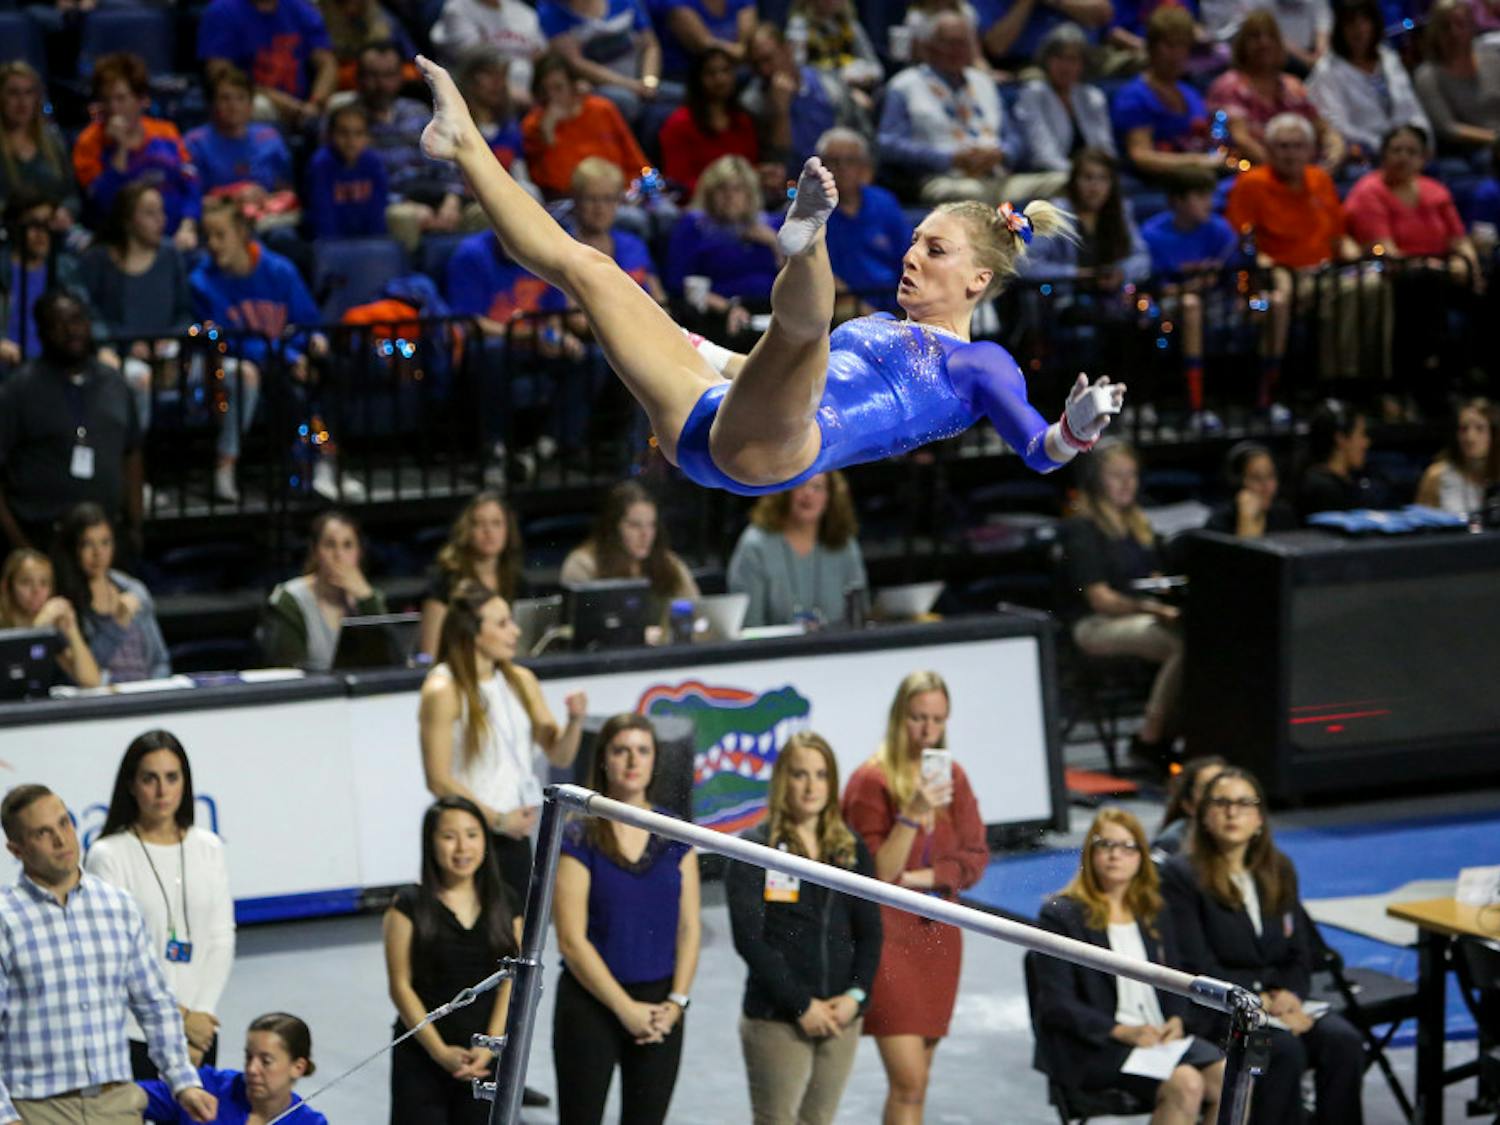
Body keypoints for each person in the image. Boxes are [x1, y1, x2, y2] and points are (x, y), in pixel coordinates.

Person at [417, 54, 1126, 497]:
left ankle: (805, 240)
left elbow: (1040, 454)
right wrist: (682, 341)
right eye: (914, 241)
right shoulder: (879, 325)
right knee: (592, 268)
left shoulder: (981, 363)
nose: (911, 256)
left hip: (780, 446)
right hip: (707, 419)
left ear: (978, 281)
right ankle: (464, 144)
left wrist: (1079, 426)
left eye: (934, 251)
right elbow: (747, 368)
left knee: (806, 335)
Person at [0, 783, 218, 1123]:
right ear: (16, 849)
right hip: (37, 1110)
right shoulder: (5, 920)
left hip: (115, 1104)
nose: (61, 840)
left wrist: (183, 1081)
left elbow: (155, 1003)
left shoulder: (118, 906)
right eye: (43, 833)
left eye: (64, 823)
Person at [1161, 767, 1367, 1125]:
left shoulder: (1278, 869)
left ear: (1259, 818)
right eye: (1221, 803)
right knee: (1279, 1052)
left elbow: (1298, 954)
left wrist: (1291, 996)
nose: (1232, 812)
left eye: (1243, 803)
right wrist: (1262, 1001)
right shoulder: (1181, 876)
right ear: (1203, 815)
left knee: (1343, 1042)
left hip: (1281, 1005)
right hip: (1222, 1012)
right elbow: (1195, 963)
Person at [841, 671, 988, 1125]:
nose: (927, 731)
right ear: (898, 718)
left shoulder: (954, 777)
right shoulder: (870, 782)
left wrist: (929, 875)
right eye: (918, 718)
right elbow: (880, 873)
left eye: (937, 720)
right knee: (909, 1082)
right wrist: (912, 814)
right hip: (889, 938)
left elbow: (976, 858)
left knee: (919, 1080)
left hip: (939, 937)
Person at [726, 731, 882, 1125]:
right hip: (778, 1018)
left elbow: (870, 931)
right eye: (800, 775)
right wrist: (801, 1004)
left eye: (821, 774)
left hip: (840, 1014)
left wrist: (856, 997)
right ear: (782, 780)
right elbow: (749, 940)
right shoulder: (755, 848)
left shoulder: (849, 847)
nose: (812, 786)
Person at [553, 713, 701, 1125]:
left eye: (642, 750)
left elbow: (690, 929)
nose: (632, 761)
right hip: (591, 1004)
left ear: (655, 760)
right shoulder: (579, 833)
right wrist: (624, 1008)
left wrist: (677, 1001)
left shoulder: (675, 832)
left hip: (660, 1007)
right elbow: (570, 939)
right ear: (603, 760)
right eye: (621, 751)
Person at [1034, 809, 1227, 1123]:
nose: (1115, 855)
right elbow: (1057, 1004)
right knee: (1187, 1083)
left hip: (1159, 1039)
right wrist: (1122, 1031)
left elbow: (1176, 976)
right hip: (1099, 1044)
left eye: (1127, 846)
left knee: (1230, 1078)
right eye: (1105, 845)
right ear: (1090, 852)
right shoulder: (1061, 915)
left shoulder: (1153, 911)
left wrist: (1177, 1018)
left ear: (1141, 855)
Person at [420, 581, 587, 899]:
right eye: (502, 623)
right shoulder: (443, 690)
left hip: (514, 833)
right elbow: (438, 780)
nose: (516, 632)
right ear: (472, 631)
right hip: (468, 837)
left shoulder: (520, 680)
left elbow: (560, 756)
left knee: (515, 936)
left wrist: (575, 721)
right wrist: (497, 820)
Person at [85, 731, 236, 1078]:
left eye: (172, 777)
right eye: (149, 779)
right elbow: (118, 958)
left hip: (201, 1031)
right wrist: (182, 1019)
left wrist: (201, 1020)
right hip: (134, 1034)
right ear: (131, 785)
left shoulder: (209, 847)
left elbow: (221, 938)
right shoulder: (108, 855)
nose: (162, 790)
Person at [384, 796, 522, 1125]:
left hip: (484, 1056)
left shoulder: (506, 901)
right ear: (430, 843)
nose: (462, 847)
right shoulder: (408, 904)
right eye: (449, 836)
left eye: (472, 835)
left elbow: (511, 983)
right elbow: (400, 986)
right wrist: (439, 1052)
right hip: (422, 1054)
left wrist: (491, 1046)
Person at [191, 198, 330, 503]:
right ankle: (307, 467)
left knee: (328, 367)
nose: (212, 244)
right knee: (276, 379)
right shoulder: (202, 281)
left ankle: (324, 464)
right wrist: (287, 355)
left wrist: (310, 345)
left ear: (242, 232)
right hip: (240, 366)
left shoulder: (280, 271)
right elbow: (230, 339)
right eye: (207, 236)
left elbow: (307, 322)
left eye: (220, 235)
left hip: (283, 362)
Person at [1063, 440, 1182, 762]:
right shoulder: (1083, 528)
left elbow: (1154, 577)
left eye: (1132, 475)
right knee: (1182, 645)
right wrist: (1152, 607)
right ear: (1096, 480)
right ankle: (1150, 738)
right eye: (1117, 475)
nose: (1127, 483)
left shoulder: (1139, 527)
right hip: (1094, 625)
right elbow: (1100, 599)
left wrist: (1163, 590)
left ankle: (1184, 732)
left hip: (1140, 615)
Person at [0, 290, 143, 554]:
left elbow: (132, 453)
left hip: (107, 537)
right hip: (42, 537)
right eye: (59, 323)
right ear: (42, 333)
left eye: (77, 320)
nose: (71, 331)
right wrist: (21, 548)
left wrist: (135, 524)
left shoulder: (114, 382)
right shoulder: (18, 390)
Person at [79, 184, 197, 445]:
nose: (161, 220)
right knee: (139, 379)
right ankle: (134, 468)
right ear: (128, 220)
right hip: (118, 355)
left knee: (236, 374)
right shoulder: (98, 259)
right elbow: (89, 314)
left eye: (162, 212)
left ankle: (225, 467)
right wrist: (127, 345)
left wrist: (170, 343)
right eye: (150, 213)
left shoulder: (170, 255)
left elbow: (184, 313)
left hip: (169, 355)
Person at [877, 13, 1030, 206]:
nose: (958, 50)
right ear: (930, 46)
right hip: (943, 179)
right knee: (974, 195)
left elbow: (1014, 137)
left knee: (1062, 183)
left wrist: (1002, 153)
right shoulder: (904, 85)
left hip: (997, 175)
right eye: (950, 43)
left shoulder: (984, 81)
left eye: (964, 43)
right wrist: (948, 159)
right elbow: (888, 143)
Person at [72, 53, 201, 248]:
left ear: (141, 100)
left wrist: (188, 225)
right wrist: (121, 148)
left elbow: (191, 183)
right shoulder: (88, 143)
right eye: (106, 100)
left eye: (121, 98)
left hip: (178, 235)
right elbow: (105, 203)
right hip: (125, 242)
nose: (113, 108)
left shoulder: (166, 132)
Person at [1207, 12, 1346, 169]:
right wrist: (1286, 170)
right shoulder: (1229, 85)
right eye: (1255, 37)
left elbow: (1322, 127)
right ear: (1242, 45)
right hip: (1249, 171)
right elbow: (1240, 139)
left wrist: (1334, 147)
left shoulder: (1292, 86)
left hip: (1299, 171)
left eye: (1270, 36)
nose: (1264, 43)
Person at [726, 472, 865, 628]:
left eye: (817, 487)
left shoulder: (844, 544)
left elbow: (860, 616)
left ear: (830, 497)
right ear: (783, 492)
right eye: (800, 485)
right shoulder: (755, 545)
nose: (808, 494)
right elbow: (749, 625)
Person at [54, 502, 170, 683]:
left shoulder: (135, 591)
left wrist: (153, 691)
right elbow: (86, 671)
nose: (98, 553)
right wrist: (118, 624)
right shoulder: (65, 604)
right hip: (100, 701)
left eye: (105, 543)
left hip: (146, 694)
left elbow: (160, 661)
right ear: (73, 549)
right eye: (87, 544)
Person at [138, 1013, 325, 1125]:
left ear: (298, 1067)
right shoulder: (205, 1088)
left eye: (266, 1061)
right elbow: (124, 1097)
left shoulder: (310, 1123)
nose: (251, 1069)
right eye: (248, 1057)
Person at [262, 509, 388, 670]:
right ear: (315, 552)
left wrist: (367, 599)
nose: (339, 555)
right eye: (330, 545)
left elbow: (387, 660)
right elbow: (288, 669)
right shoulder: (289, 599)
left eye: (348, 545)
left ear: (359, 553)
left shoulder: (368, 597)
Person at [1114, 8, 1227, 186]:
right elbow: (1141, 156)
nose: (1177, 54)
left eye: (1183, 46)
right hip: (1161, 186)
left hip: (1199, 182)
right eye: (1170, 46)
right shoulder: (1135, 96)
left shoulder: (1190, 93)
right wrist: (1196, 161)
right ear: (1152, 47)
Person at [1308, 0, 1431, 160]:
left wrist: (1420, 138)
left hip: (1405, 149)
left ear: (1375, 24)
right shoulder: (1327, 70)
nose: (1358, 30)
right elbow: (1338, 125)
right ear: (1339, 29)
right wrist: (1384, 146)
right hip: (1365, 155)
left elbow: (1411, 108)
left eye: (1365, 21)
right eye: (1350, 23)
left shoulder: (1389, 59)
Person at [520, 53, 650, 201]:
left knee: (665, 212)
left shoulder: (602, 109)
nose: (551, 97)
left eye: (558, 88)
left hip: (625, 194)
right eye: (544, 91)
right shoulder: (533, 125)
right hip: (577, 204)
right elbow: (555, 184)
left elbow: (638, 162)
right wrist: (548, 132)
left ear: (573, 86)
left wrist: (646, 189)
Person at [663, 154, 783, 315]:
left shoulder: (771, 224)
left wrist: (774, 243)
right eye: (721, 189)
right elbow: (679, 284)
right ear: (709, 194)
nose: (729, 196)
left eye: (737, 189)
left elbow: (793, 278)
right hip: (719, 312)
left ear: (750, 194)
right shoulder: (694, 226)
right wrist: (726, 308)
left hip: (772, 309)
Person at [1346, 124, 1479, 266]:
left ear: (1423, 159)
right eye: (1396, 150)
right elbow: (1383, 251)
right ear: (1383, 155)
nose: (1403, 157)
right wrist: (1432, 268)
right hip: (1396, 274)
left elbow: (1459, 240)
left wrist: (1467, 264)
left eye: (1412, 152)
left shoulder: (1436, 190)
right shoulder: (1368, 191)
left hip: (1442, 271)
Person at [562, 479, 700, 609]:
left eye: (651, 525)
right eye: (635, 525)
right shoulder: (582, 565)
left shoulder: (669, 563)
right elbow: (577, 627)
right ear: (613, 528)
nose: (645, 534)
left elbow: (698, 612)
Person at [198, 0, 337, 128]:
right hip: (253, 97)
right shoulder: (222, 11)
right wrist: (280, 101)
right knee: (257, 106)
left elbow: (327, 63)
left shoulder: (301, 8)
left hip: (305, 103)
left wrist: (316, 102)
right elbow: (219, 73)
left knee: (344, 106)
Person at [740, 24, 852, 180]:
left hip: (836, 179)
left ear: (787, 50)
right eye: (756, 64)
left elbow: (859, 137)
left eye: (768, 59)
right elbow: (776, 164)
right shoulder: (752, 104)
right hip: (791, 187)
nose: (764, 70)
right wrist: (781, 112)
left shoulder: (829, 85)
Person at [818, 128, 912, 313]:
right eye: (834, 161)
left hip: (894, 302)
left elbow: (908, 254)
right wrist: (868, 315)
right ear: (821, 167)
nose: (842, 168)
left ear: (864, 167)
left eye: (850, 161)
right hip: (839, 305)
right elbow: (815, 273)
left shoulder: (884, 202)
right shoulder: (811, 211)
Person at [419, 491, 524, 657]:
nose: (488, 531)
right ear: (467, 530)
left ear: (508, 530)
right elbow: (429, 654)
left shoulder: (518, 581)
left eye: (496, 523)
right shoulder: (445, 583)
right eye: (479, 523)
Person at [1023, 149, 1151, 284]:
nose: (1095, 188)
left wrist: (1121, 273)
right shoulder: (1054, 214)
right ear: (1074, 181)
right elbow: (1025, 267)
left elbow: (1142, 258)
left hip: (1112, 298)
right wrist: (1075, 274)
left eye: (1103, 179)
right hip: (1062, 296)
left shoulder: (1121, 211)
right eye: (1088, 178)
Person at [538, 0, 665, 124]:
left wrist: (650, 81)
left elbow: (650, 45)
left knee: (677, 97)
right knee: (627, 102)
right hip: (597, 86)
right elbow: (576, 63)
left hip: (640, 79)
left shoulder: (625, 2)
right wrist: (631, 85)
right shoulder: (551, 12)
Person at [1015, 24, 1116, 177]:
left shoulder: (1092, 96)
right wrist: (1079, 176)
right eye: (1059, 57)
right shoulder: (1034, 94)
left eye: (1073, 59)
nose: (1066, 66)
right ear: (1046, 60)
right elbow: (1043, 155)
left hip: (1091, 178)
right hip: (1049, 174)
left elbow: (1105, 149)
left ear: (1082, 64)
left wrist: (1099, 173)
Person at [658, 48, 761, 196]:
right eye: (711, 73)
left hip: (743, 201)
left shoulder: (743, 120)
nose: (720, 79)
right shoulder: (679, 124)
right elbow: (678, 181)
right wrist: (724, 188)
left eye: (726, 71)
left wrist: (761, 176)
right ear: (697, 79)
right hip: (697, 205)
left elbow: (749, 167)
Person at [2, 191, 88, 368]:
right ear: (15, 226)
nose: (41, 233)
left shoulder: (64, 269)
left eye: (48, 224)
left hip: (54, 368)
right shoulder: (3, 269)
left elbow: (87, 313)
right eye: (33, 224)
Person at [184, 69, 294, 199]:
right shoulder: (195, 143)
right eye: (225, 98)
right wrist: (234, 196)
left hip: (267, 214)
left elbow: (286, 190)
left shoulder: (269, 137)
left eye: (241, 98)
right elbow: (190, 201)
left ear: (251, 105)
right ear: (212, 104)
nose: (234, 106)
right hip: (216, 214)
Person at [0, 548, 101, 687]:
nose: (36, 591)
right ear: (7, 586)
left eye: (44, 583)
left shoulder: (51, 629)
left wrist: (72, 630)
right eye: (26, 582)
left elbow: (91, 681)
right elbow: (16, 675)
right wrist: (38, 627)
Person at [0, 62, 80, 226]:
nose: (22, 102)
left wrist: (65, 211)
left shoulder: (53, 141)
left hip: (55, 231)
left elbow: (72, 196)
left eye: (29, 93)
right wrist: (28, 215)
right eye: (13, 93)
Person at [1414, 0, 1500, 151]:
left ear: (1472, 26)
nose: (1454, 32)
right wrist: (1496, 139)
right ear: (1435, 31)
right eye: (1445, 27)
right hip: (1468, 151)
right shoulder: (1427, 75)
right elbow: (1448, 128)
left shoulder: (1492, 57)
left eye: (1461, 24)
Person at [430, 0, 547, 104]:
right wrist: (532, 103)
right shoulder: (458, 9)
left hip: (532, 96)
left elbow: (544, 60)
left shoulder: (523, 12)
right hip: (488, 100)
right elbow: (477, 69)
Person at [305, 102, 390, 239]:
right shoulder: (321, 165)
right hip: (331, 247)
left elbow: (378, 214)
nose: (351, 141)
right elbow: (323, 218)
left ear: (368, 138)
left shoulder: (374, 163)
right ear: (329, 136)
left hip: (368, 245)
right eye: (343, 133)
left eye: (359, 134)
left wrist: (374, 250)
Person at [1415, 397, 1499, 514]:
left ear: (1494, 435)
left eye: (1480, 429)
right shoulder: (1436, 475)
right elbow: (1421, 522)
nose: (1470, 438)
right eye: (1463, 429)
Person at [1298, 399, 1380, 515]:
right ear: (1341, 439)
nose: (1366, 443)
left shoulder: (1353, 480)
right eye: (1361, 434)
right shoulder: (1322, 490)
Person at [977, 0, 1113, 70]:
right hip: (1033, 65)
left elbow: (1103, 14)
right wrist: (1026, 3)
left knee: (1133, 64)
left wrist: (1057, 2)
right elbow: (996, 47)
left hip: (1089, 57)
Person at [1204, 441, 1298, 536]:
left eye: (1270, 476)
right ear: (1237, 483)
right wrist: (1246, 520)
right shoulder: (1218, 523)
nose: (1266, 486)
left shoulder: (1284, 516)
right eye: (1256, 478)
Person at [656, 0, 757, 80]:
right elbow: (702, 43)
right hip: (686, 76)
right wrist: (739, 51)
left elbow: (747, 38)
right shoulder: (677, 3)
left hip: (737, 71)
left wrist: (742, 49)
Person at [1151, 754, 1227, 856]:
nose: (1218, 795)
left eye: (1224, 785)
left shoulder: (1247, 836)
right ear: (1188, 805)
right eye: (1207, 788)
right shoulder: (1172, 842)